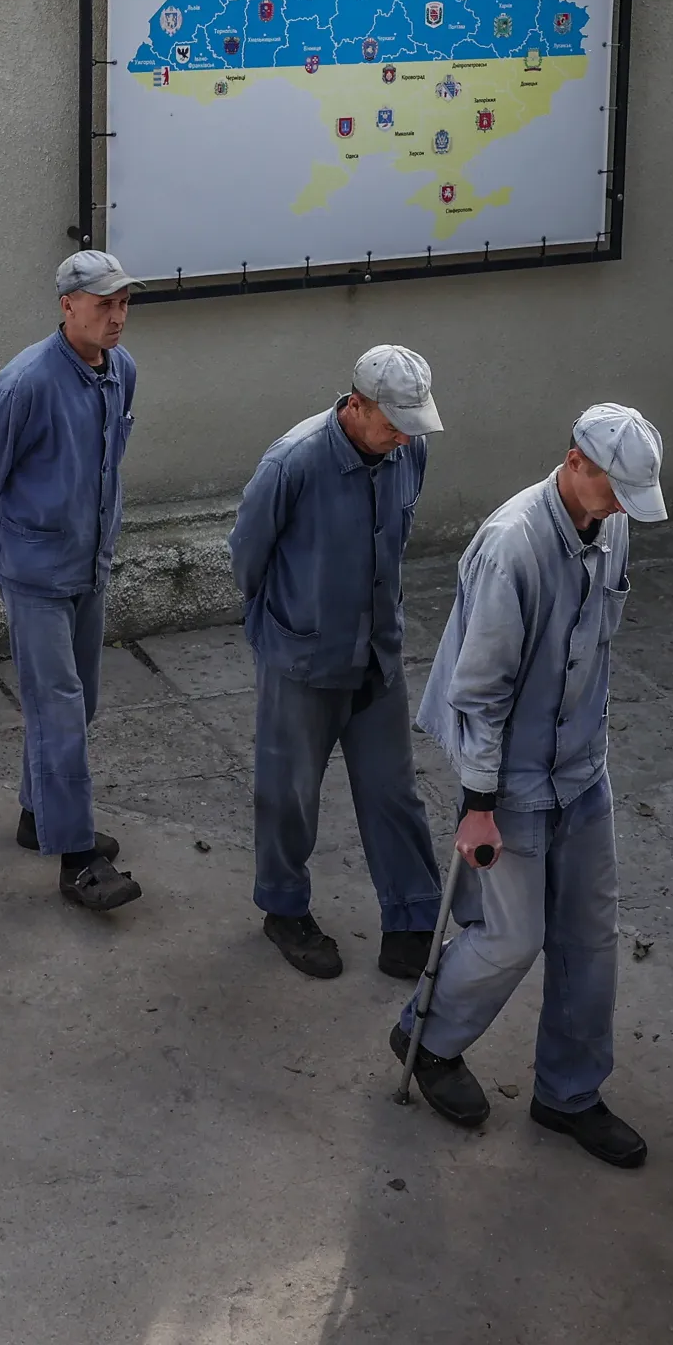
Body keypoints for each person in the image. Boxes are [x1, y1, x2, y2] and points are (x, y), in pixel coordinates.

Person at [391, 403, 667, 1168]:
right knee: (512, 935)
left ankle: (568, 1093)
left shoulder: (611, 527)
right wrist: (479, 806)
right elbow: (477, 693)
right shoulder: (511, 545)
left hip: (581, 769)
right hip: (507, 776)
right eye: (614, 490)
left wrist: (593, 761)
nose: (621, 511)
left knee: (590, 936)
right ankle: (428, 1034)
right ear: (576, 459)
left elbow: (595, 658)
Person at [230, 345, 448, 981]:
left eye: (414, 425)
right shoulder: (292, 463)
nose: (405, 438)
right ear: (357, 405)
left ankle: (410, 918)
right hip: (302, 655)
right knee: (288, 793)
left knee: (394, 791)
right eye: (393, 424)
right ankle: (284, 909)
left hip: (376, 652)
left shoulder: (411, 448)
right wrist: (273, 628)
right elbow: (248, 553)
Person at [0, 251, 144, 911]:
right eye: (103, 304)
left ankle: (39, 813)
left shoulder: (120, 371)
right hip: (35, 570)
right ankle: (76, 860)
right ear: (67, 306)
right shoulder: (24, 384)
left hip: (88, 562)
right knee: (59, 705)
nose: (117, 316)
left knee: (78, 700)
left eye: (124, 303)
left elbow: (107, 461)